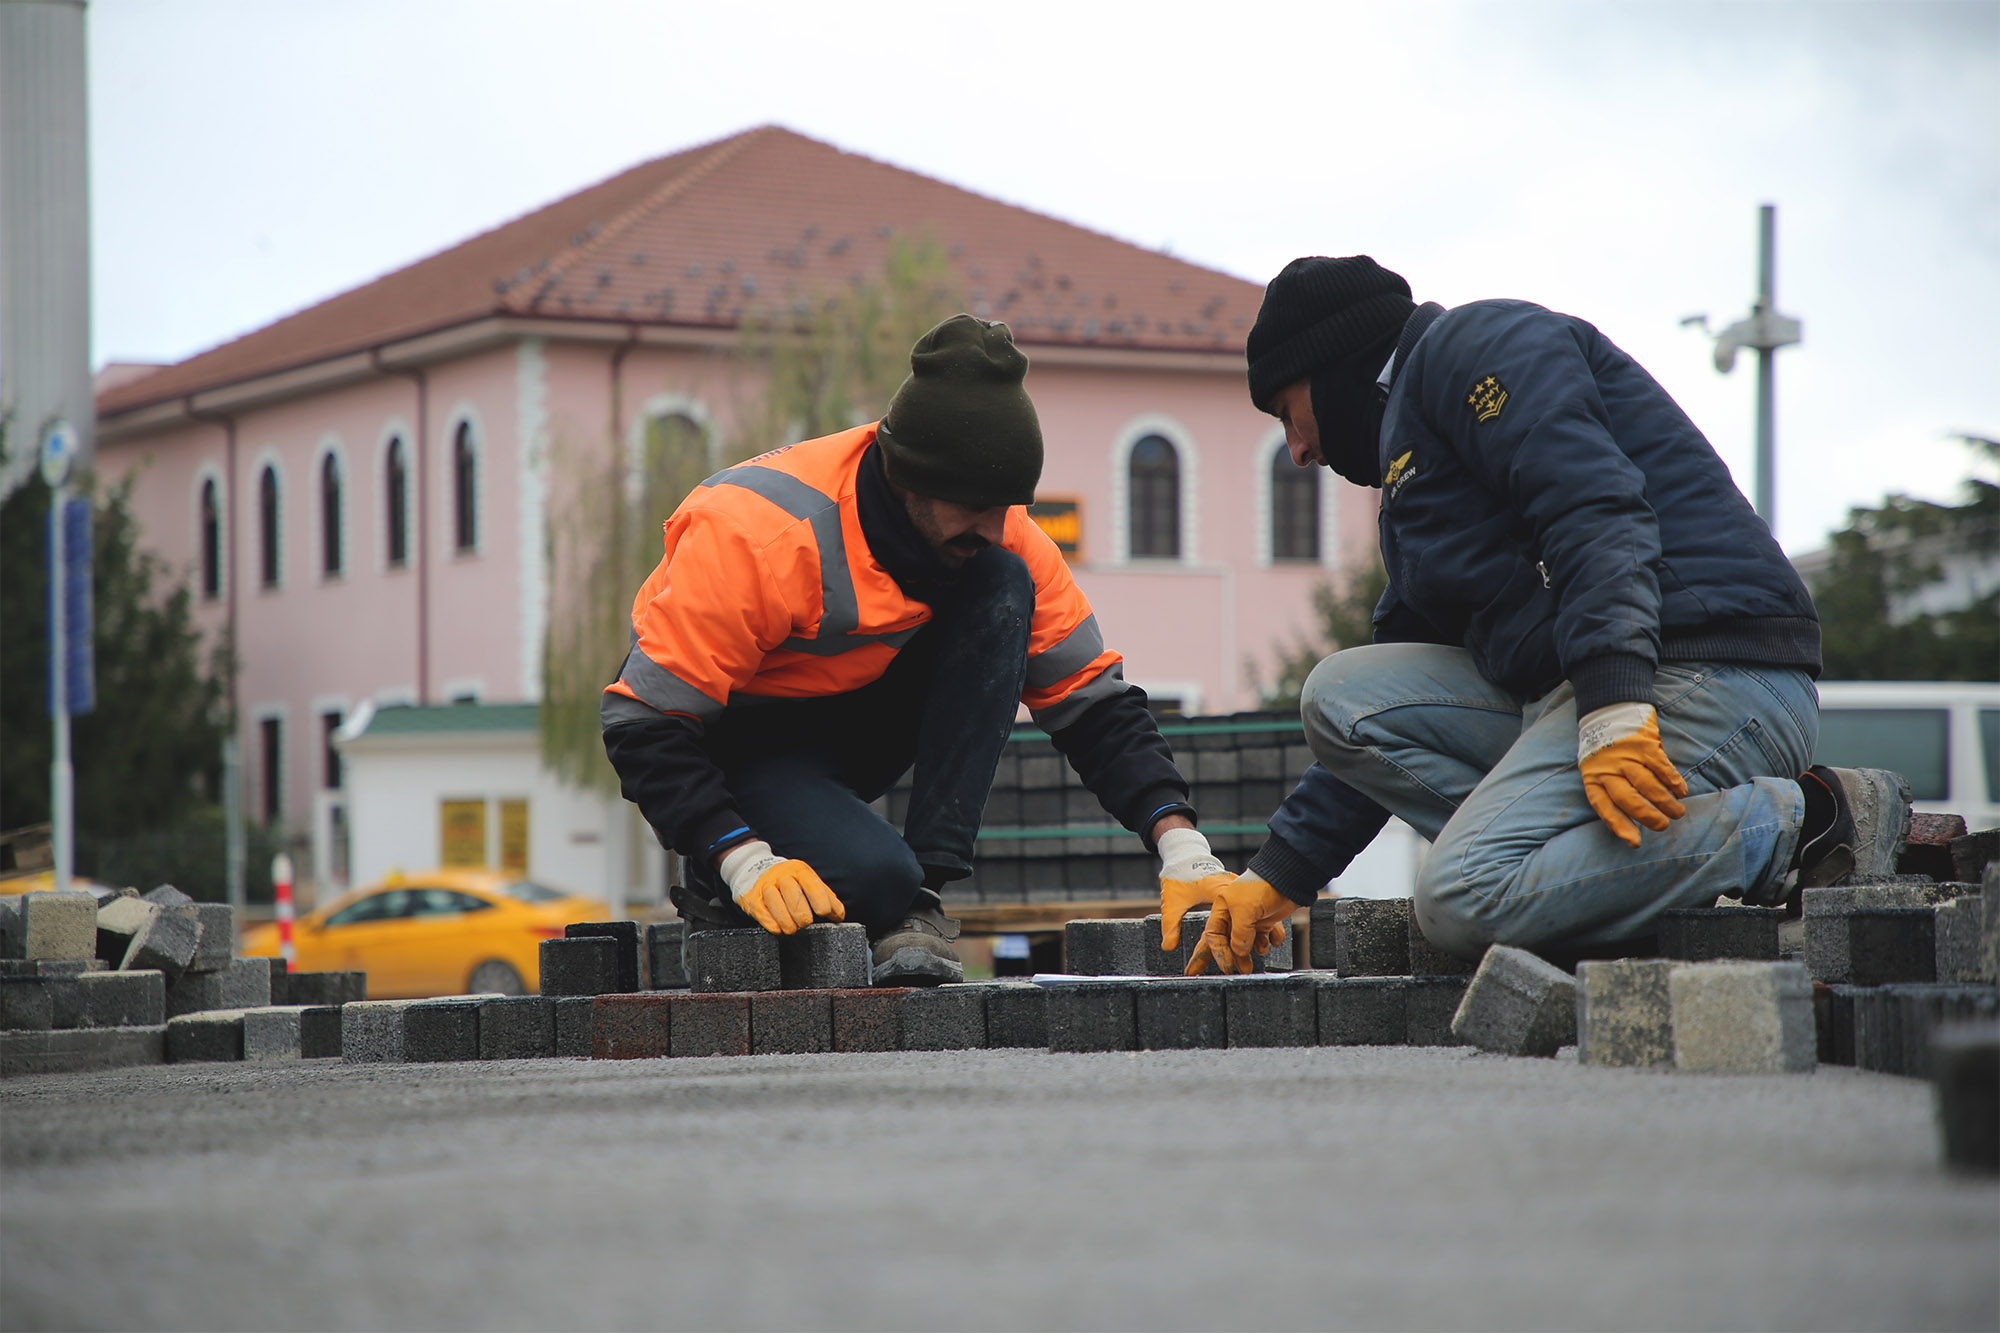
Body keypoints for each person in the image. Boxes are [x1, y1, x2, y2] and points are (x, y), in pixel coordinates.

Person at [1171, 256, 1910, 975]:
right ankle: (1607, 882)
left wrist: (1615, 703)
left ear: (1330, 366)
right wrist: (1280, 875)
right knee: (1340, 696)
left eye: (1287, 413)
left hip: (1708, 672)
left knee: (1461, 896)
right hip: (1595, 696)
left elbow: (1592, 510)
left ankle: (1803, 821)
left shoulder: (1475, 346)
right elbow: (1399, 688)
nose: (1297, 448)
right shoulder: (1415, 490)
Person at [602, 314, 1234, 985]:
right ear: (907, 477)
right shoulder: (757, 535)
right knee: (876, 878)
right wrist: (738, 854)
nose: (993, 527)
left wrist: (1182, 844)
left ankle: (920, 902)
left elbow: (1095, 706)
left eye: (1007, 505)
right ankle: (729, 879)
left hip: (840, 732)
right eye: (971, 506)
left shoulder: (1002, 535)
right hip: (731, 749)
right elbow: (641, 725)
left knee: (1002, 584)